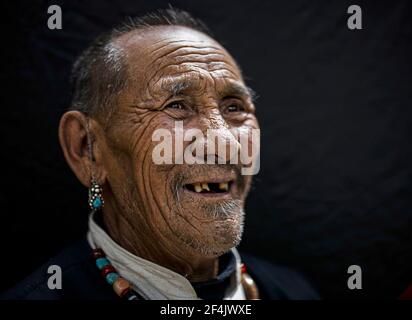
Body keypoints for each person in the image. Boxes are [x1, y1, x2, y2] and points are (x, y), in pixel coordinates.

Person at [2, 8, 319, 300]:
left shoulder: (292, 291)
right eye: (177, 105)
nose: (225, 142)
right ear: (88, 149)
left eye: (234, 107)